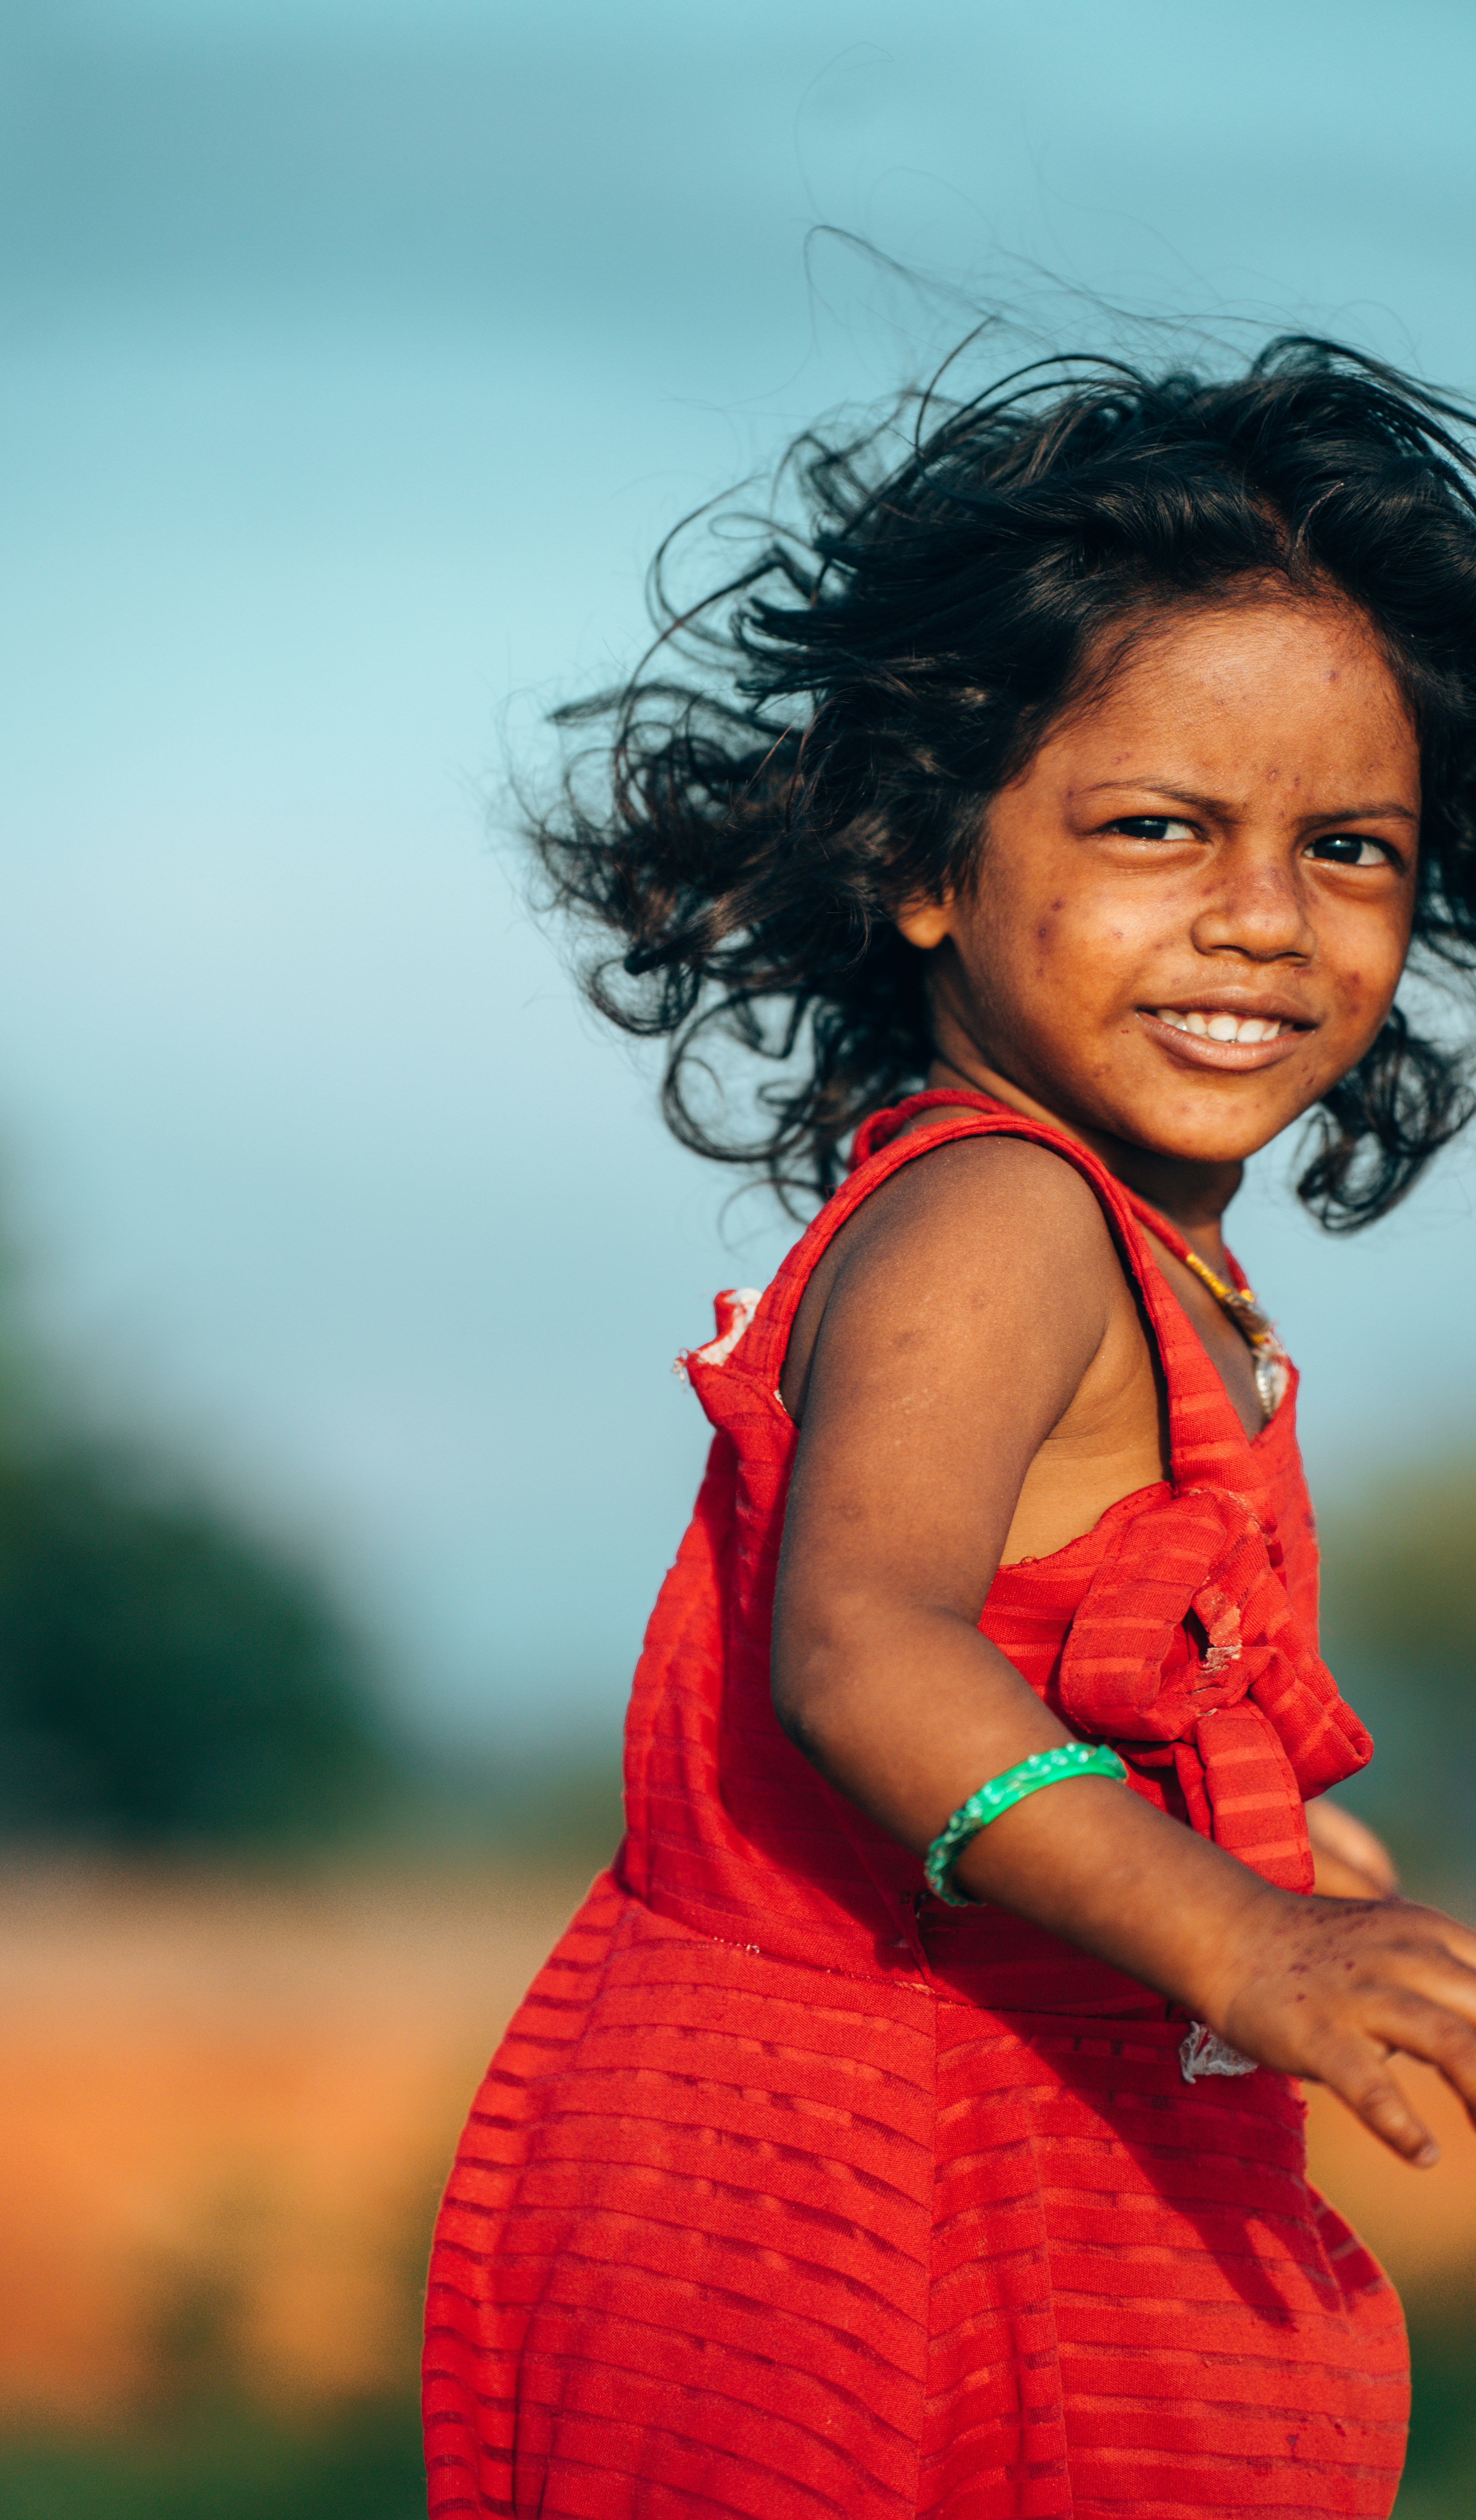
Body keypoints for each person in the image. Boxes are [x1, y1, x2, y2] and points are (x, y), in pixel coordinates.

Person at [423, 337, 1476, 2517]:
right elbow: (868, 1651)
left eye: (1349, 847)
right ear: (921, 862)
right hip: (833, 2204)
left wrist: (1250, 1824)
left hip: (1006, 2143)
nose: (1262, 916)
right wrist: (1240, 1936)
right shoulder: (1002, 1215)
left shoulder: (1140, 1252)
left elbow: (1044, 1641)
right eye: (1159, 828)